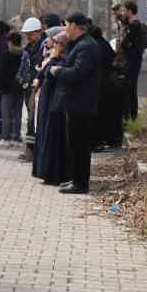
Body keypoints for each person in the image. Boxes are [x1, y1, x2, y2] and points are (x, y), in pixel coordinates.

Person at [43, 12, 104, 194]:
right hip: (76, 103)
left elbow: (78, 72)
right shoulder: (81, 44)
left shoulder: (86, 46)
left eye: (67, 25)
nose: (65, 28)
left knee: (80, 145)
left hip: (81, 104)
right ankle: (75, 179)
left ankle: (80, 183)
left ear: (76, 26)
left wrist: (59, 70)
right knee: (76, 144)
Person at [31, 30, 70, 184]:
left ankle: (55, 173)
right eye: (55, 43)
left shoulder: (65, 62)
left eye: (58, 43)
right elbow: (41, 74)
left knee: (53, 137)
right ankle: (44, 171)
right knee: (43, 134)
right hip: (45, 104)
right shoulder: (53, 59)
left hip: (55, 104)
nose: (55, 46)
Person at [115, 0, 147, 124]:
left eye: (124, 10)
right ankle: (129, 115)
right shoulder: (131, 25)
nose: (122, 13)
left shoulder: (135, 25)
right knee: (129, 88)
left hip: (132, 62)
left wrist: (124, 44)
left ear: (130, 11)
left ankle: (131, 116)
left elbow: (126, 43)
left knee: (130, 88)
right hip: (131, 61)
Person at [17, 17, 44, 147]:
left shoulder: (44, 47)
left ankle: (33, 149)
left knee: (34, 118)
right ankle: (30, 149)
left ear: (39, 31)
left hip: (38, 88)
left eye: (30, 34)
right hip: (28, 88)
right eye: (26, 34)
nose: (28, 37)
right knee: (30, 117)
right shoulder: (27, 49)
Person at [0, 31, 25, 143]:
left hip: (7, 88)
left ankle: (6, 135)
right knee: (18, 113)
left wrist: (0, 86)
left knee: (6, 112)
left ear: (10, 42)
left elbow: (2, 73)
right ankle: (16, 135)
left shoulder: (6, 54)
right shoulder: (24, 54)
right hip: (19, 88)